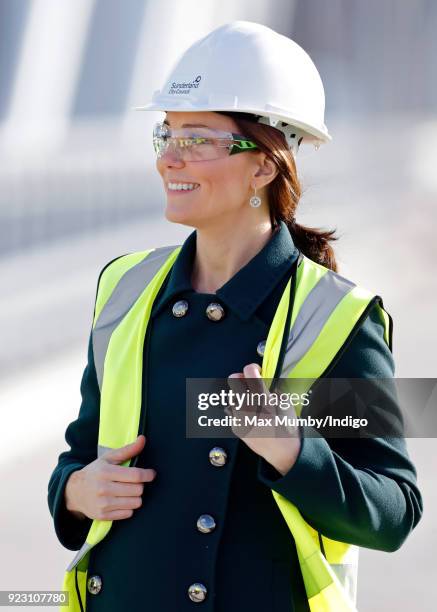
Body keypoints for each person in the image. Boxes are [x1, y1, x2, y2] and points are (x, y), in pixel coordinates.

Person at [47, 21, 423, 612]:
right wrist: (74, 491)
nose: (169, 159)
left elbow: (394, 512)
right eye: (165, 135)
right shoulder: (124, 288)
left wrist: (292, 450)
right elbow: (80, 451)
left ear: (265, 166)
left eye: (196, 139)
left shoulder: (331, 319)